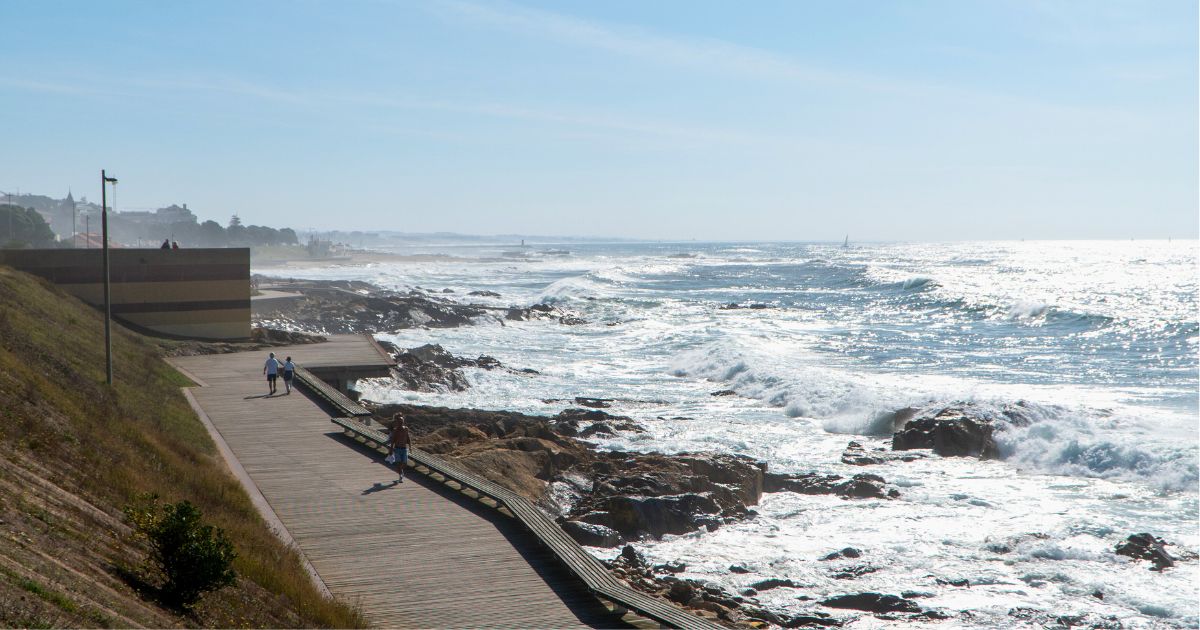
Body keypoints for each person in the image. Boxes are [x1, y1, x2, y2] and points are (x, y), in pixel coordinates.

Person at [388, 414, 411, 483]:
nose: (401, 422)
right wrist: (391, 449)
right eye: (399, 421)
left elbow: (408, 437)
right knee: (398, 463)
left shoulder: (406, 429)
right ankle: (401, 475)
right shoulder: (395, 430)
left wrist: (410, 446)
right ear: (397, 422)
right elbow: (393, 440)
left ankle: (400, 471)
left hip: (404, 449)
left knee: (404, 463)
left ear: (403, 422)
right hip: (397, 449)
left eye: (402, 421)